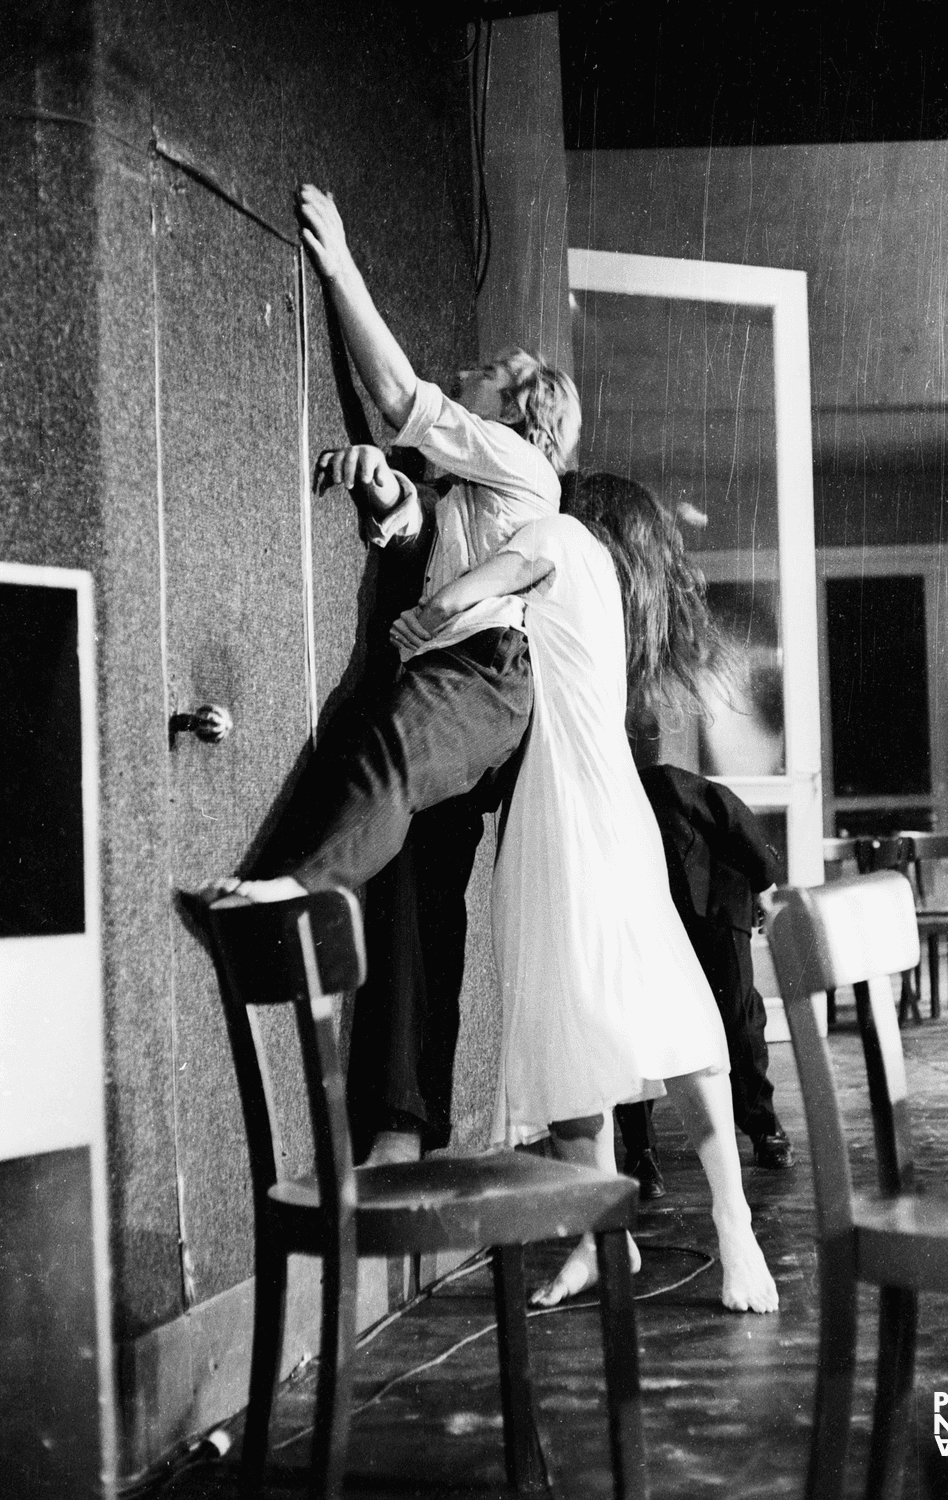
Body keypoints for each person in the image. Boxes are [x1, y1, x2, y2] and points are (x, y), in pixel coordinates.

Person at [214, 186, 581, 1170]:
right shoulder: (473, 495)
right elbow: (416, 523)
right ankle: (400, 1130)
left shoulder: (522, 467)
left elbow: (400, 397)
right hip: (467, 686)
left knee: (387, 743)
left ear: (521, 416)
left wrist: (338, 265)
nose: (468, 379)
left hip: (480, 680)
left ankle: (297, 896)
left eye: (487, 379)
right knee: (416, 902)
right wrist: (384, 487)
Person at [392, 473, 778, 1314]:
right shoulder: (602, 579)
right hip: (590, 811)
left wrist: (429, 614)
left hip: (570, 819)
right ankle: (626, 1238)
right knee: (612, 1024)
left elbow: (484, 581)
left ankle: (705, 1230)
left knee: (610, 1019)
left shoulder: (558, 537)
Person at [616, 764, 792, 1202]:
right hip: (637, 919)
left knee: (737, 1020)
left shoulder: (662, 781)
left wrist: (765, 882)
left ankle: (763, 1124)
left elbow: (731, 813)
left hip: (713, 902)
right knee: (632, 1027)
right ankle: (640, 1154)